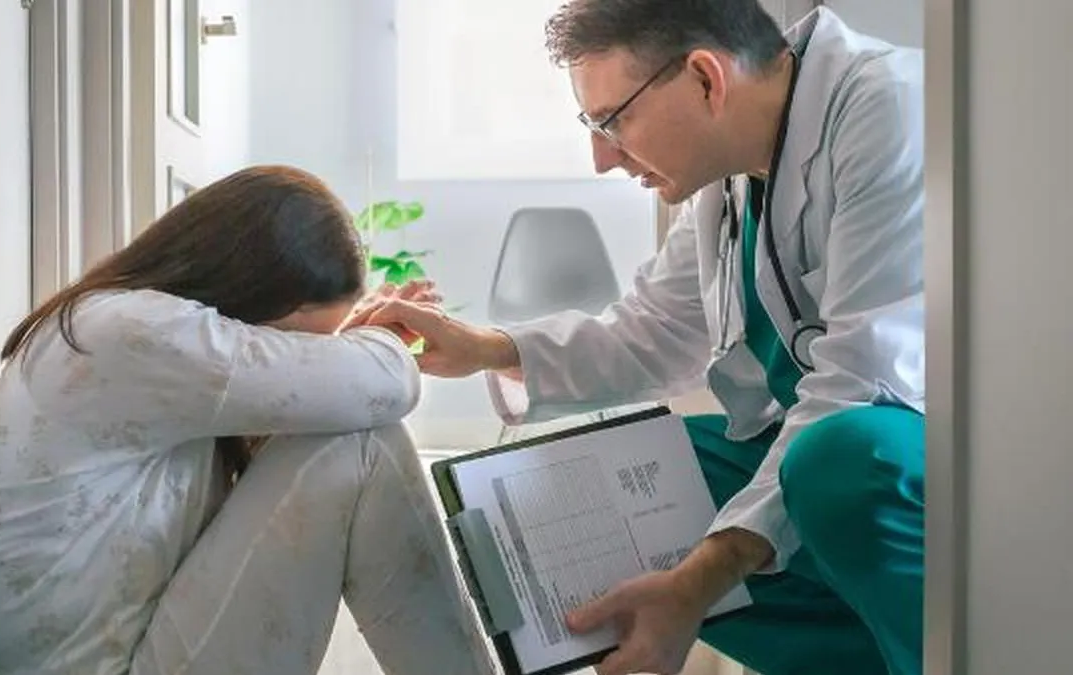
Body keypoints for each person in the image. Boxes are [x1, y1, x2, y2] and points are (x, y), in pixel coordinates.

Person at [353, 2, 924, 674]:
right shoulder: (731, 177)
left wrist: (701, 577)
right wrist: (486, 347)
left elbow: (862, 384)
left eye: (612, 121)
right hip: (836, 449)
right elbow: (651, 333)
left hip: (925, 453)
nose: (601, 158)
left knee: (836, 458)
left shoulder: (887, 110)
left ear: (706, 79)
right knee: (619, 486)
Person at [0, 165, 496, 675]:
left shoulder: (118, 328)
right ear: (252, 292)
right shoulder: (133, 332)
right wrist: (369, 345)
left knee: (350, 429)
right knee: (362, 443)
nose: (294, 352)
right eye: (294, 340)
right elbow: (386, 383)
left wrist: (341, 355)